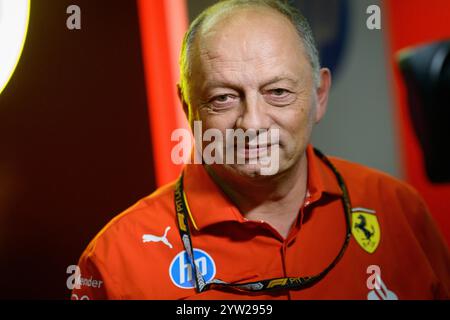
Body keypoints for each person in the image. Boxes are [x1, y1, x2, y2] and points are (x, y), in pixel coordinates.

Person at [70, 0, 450, 300]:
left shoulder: (399, 209)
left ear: (319, 95)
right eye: (223, 98)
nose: (252, 123)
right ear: (187, 107)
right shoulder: (117, 261)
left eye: (278, 92)